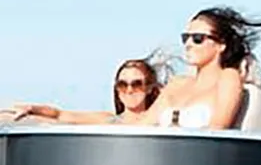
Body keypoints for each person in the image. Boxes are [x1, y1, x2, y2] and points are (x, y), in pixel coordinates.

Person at [135, 6, 261, 130]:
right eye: (185, 38)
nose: (188, 44)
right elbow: (142, 127)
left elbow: (218, 128)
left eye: (197, 38)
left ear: (220, 45)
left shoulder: (228, 78)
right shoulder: (176, 84)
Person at [11, 57, 161, 125]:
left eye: (136, 84)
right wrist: (31, 109)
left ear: (149, 88)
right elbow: (61, 115)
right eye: (122, 85)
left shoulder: (160, 121)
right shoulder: (108, 121)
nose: (129, 90)